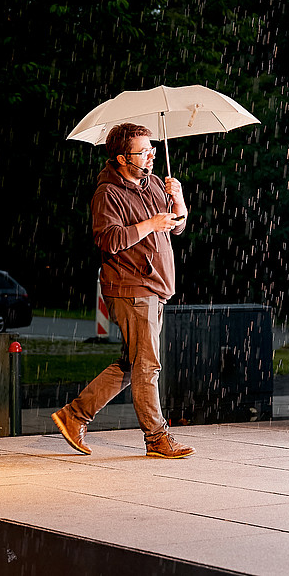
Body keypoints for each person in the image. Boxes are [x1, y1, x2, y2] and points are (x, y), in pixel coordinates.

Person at [52, 122, 193, 458]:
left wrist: (178, 201)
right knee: (147, 366)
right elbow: (109, 239)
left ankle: (74, 416)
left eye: (152, 149)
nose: (151, 156)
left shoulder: (154, 184)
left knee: (133, 364)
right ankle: (156, 438)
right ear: (122, 158)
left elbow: (176, 227)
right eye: (143, 152)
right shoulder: (108, 194)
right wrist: (150, 224)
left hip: (155, 287)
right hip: (131, 287)